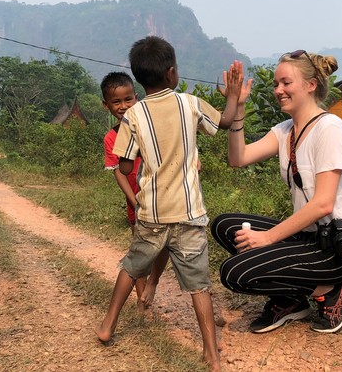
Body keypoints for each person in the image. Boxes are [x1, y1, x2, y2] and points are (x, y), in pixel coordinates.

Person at [95, 36, 243, 371]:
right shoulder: (191, 105)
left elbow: (126, 165)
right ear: (172, 73)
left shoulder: (133, 116)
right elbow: (224, 121)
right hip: (189, 214)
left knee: (132, 267)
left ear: (139, 79)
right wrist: (233, 97)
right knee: (198, 285)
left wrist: (145, 161)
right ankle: (211, 354)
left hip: (150, 214)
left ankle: (107, 326)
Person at [211, 49, 342, 335]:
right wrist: (238, 107)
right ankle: (292, 300)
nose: (278, 90)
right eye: (275, 84)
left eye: (286, 83)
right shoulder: (286, 131)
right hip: (308, 237)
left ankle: (332, 291)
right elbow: (238, 159)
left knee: (235, 273)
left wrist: (267, 238)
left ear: (310, 85)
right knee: (225, 225)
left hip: (338, 247)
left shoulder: (329, 127)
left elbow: (323, 204)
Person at [100, 71, 167, 311]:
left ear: (136, 98)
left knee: (165, 246)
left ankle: (154, 282)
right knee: (140, 254)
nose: (123, 106)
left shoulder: (151, 127)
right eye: (116, 102)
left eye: (128, 99)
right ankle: (142, 304)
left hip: (162, 199)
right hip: (136, 204)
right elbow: (119, 171)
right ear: (106, 105)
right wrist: (134, 200)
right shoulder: (111, 138)